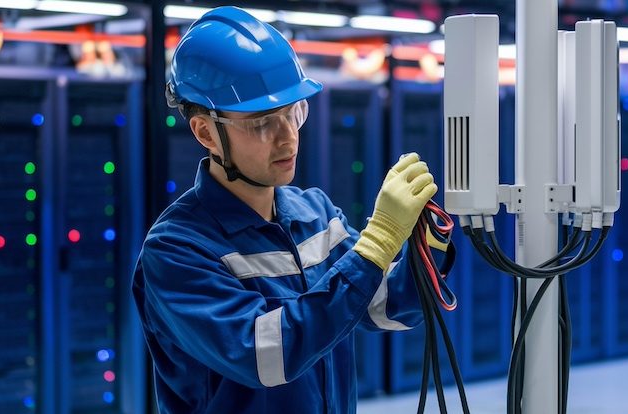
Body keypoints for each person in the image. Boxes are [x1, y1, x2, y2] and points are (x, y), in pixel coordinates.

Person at [132, 6, 447, 413]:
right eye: (263, 123)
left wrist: (431, 234)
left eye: (294, 113)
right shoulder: (177, 251)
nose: (287, 139)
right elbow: (269, 355)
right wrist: (381, 237)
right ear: (206, 132)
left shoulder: (315, 214)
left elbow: (388, 307)